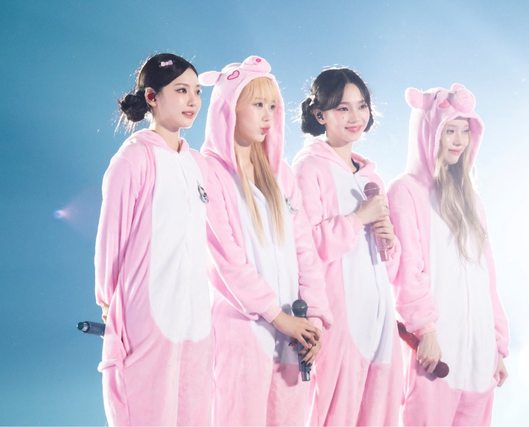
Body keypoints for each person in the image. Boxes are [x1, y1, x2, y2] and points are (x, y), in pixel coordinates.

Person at [199, 55, 332, 426]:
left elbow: (306, 253)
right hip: (243, 332)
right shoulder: (208, 172)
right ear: (229, 109)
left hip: (294, 334)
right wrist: (277, 316)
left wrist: (314, 320)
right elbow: (226, 260)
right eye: (258, 104)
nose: (268, 116)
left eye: (273, 106)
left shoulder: (281, 176)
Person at [94, 53, 213, 425]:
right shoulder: (133, 159)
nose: (192, 100)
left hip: (196, 315)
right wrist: (109, 304)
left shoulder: (197, 164)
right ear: (151, 97)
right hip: (147, 313)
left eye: (197, 91)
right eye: (181, 90)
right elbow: (111, 239)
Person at [388, 83, 509, 426]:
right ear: (429, 133)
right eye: (449, 130)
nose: (458, 140)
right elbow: (407, 271)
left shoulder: (472, 201)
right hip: (436, 351)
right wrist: (425, 330)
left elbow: (487, 278)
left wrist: (496, 345)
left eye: (465, 131)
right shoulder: (405, 191)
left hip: (479, 357)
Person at [292, 67, 403, 426]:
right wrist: (358, 218)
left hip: (379, 312)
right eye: (342, 108)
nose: (355, 117)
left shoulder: (371, 175)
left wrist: (389, 240)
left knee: (382, 412)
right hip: (341, 311)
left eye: (361, 106)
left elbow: (387, 263)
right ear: (319, 115)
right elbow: (305, 245)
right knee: (337, 410)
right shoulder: (309, 168)